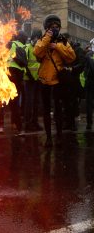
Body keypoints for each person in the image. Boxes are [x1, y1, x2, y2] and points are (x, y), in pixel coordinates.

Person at [33, 14, 76, 146]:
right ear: (47, 28)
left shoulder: (63, 41)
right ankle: (49, 138)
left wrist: (57, 47)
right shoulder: (42, 40)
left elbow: (72, 57)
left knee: (58, 109)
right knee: (46, 110)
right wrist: (47, 39)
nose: (55, 29)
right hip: (44, 81)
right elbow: (37, 52)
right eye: (52, 27)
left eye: (57, 27)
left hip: (58, 81)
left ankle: (59, 136)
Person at [61, 33, 85, 131]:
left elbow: (81, 63)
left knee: (72, 102)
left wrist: (72, 69)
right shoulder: (63, 49)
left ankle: (72, 124)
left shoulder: (77, 49)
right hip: (65, 79)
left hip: (73, 79)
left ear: (69, 39)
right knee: (66, 102)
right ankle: (68, 123)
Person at [7, 30, 28, 133]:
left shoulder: (12, 44)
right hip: (19, 75)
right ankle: (17, 125)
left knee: (12, 101)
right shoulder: (23, 46)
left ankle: (16, 124)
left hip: (10, 73)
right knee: (16, 100)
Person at [23, 29, 43, 132]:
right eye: (36, 38)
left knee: (36, 102)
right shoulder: (27, 48)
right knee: (29, 103)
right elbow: (24, 63)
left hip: (38, 79)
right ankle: (27, 124)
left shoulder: (39, 48)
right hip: (29, 79)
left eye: (39, 38)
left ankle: (35, 122)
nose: (37, 40)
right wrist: (30, 75)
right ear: (33, 37)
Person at [84, 38, 94, 130]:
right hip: (90, 81)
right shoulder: (89, 55)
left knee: (89, 103)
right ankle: (89, 122)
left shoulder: (88, 55)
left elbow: (86, 69)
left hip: (89, 81)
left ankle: (89, 123)